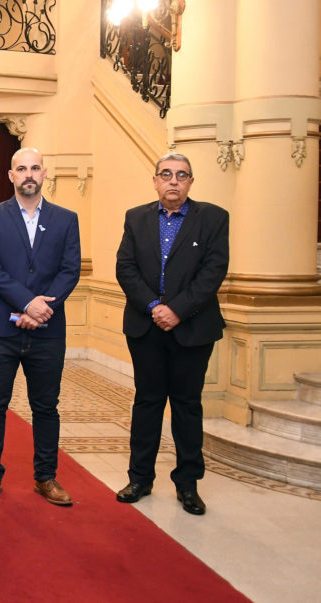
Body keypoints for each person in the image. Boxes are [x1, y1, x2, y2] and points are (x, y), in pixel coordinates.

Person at [115, 153, 229, 516]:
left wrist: (177, 309)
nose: (173, 181)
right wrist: (153, 306)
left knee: (187, 405)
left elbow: (213, 271)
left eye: (181, 175)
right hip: (145, 325)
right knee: (147, 402)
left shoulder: (213, 218)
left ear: (191, 182)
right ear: (155, 181)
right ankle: (140, 479)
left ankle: (188, 484)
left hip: (193, 328)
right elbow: (125, 268)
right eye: (166, 174)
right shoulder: (136, 218)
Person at [0, 147, 80, 507]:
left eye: (35, 168)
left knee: (46, 406)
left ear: (44, 174)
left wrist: (42, 309)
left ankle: (46, 477)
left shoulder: (66, 219)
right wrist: (27, 303)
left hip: (47, 330)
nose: (29, 174)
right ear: (11, 175)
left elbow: (70, 270)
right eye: (21, 169)